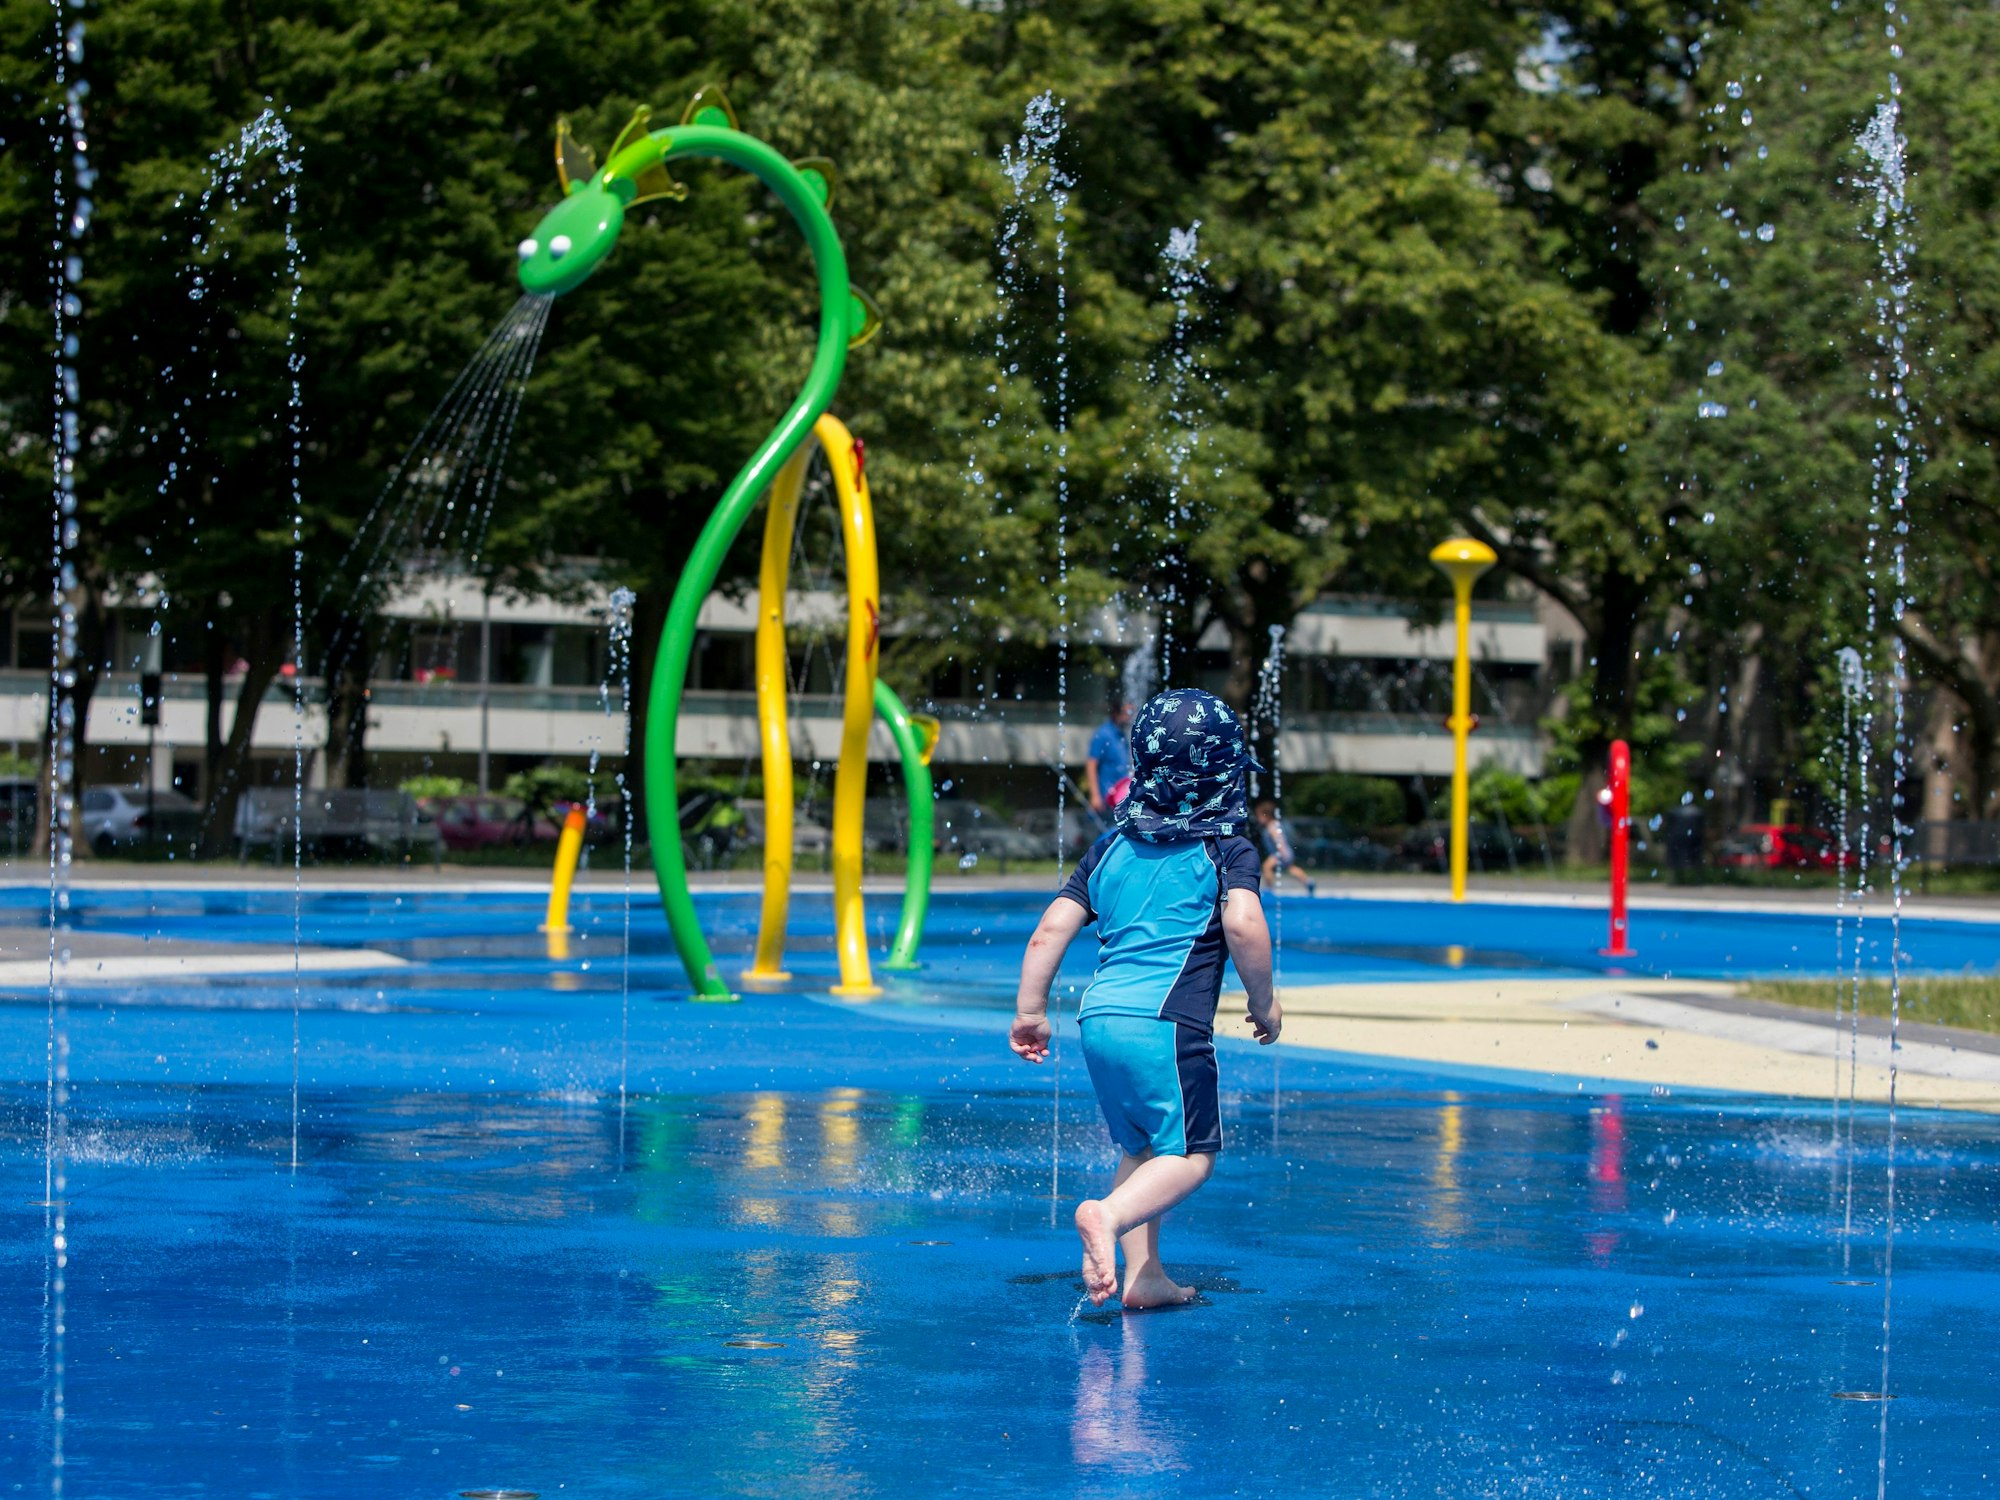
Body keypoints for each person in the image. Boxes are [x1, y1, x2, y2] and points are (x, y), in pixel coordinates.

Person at [1010, 688, 1282, 1309]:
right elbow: (1242, 923)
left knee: (1143, 1148)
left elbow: (1051, 926)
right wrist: (1263, 1003)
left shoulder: (1110, 847)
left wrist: (1030, 1012)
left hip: (1098, 1020)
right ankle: (1104, 1216)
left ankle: (1144, 1276)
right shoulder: (1226, 849)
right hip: (1167, 1023)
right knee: (1189, 1157)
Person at [1083, 694, 1135, 815]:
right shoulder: (1103, 734)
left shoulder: (1122, 734)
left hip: (1122, 798)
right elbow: (1091, 764)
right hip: (1107, 800)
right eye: (1126, 712)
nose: (1129, 716)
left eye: (1131, 712)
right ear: (1116, 713)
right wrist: (1095, 795)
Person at [1251, 798, 1316, 896]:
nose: (1258, 818)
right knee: (1291, 869)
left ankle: (1269, 889)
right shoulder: (1274, 825)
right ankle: (1308, 882)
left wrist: (1281, 851)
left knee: (1266, 867)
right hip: (1284, 852)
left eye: (1259, 816)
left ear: (1266, 815)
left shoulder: (1271, 826)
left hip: (1280, 852)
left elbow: (1279, 839)